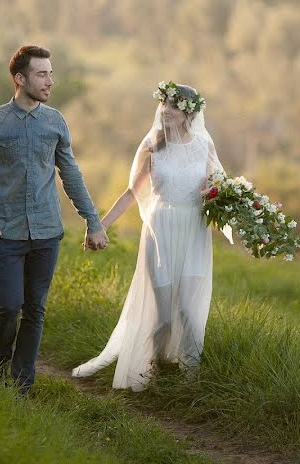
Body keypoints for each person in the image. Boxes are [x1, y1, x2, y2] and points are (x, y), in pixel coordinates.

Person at [0, 44, 109, 396]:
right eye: (42, 74)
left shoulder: (55, 121)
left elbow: (70, 173)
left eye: (50, 73)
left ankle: (22, 385)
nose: (50, 81)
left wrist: (93, 221)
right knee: (9, 305)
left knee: (35, 310)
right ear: (20, 78)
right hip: (6, 233)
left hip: (46, 232)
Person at [71, 82, 230, 391]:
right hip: (160, 231)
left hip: (194, 231)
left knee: (188, 310)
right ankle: (154, 374)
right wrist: (99, 225)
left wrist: (252, 225)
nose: (166, 110)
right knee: (164, 317)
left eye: (173, 106)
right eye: (164, 105)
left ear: (189, 112)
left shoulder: (204, 147)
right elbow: (133, 193)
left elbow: (218, 192)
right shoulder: (153, 148)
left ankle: (189, 383)